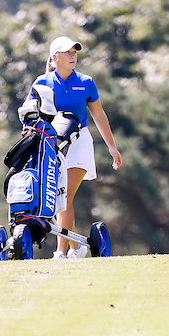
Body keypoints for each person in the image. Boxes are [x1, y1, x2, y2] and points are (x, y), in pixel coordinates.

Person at [27, 36, 122, 258]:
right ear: (54, 58)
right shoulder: (41, 82)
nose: (73, 56)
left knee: (65, 195)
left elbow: (98, 114)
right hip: (52, 145)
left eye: (75, 52)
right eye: (67, 52)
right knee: (60, 196)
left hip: (79, 142)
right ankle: (76, 247)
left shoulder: (86, 82)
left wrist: (112, 147)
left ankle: (60, 252)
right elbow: (29, 113)